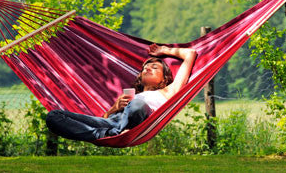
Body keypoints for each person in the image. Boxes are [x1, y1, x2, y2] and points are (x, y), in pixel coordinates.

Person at [45, 44, 197, 141]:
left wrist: (165, 50)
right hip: (113, 124)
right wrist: (115, 108)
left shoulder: (169, 91)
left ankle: (117, 132)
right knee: (54, 116)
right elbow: (103, 120)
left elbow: (190, 54)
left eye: (155, 68)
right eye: (145, 68)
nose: (148, 68)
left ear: (164, 78)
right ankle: (108, 135)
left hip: (141, 120)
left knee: (137, 104)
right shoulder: (132, 96)